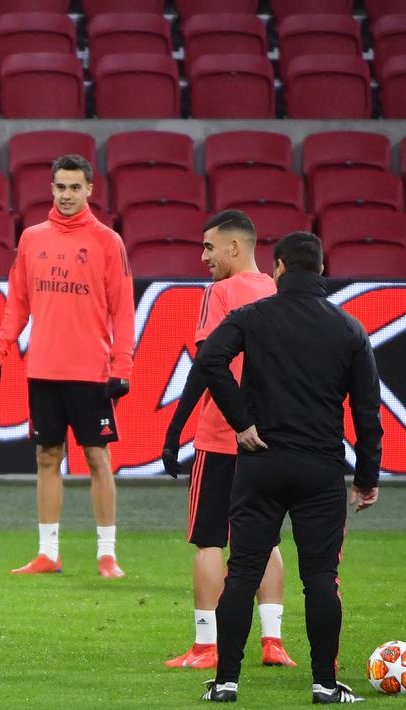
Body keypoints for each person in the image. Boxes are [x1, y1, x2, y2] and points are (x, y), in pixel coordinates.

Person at [195, 231, 382, 704]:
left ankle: (225, 683)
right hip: (320, 470)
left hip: (262, 462)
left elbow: (211, 359)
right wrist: (367, 478)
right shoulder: (349, 329)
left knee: (242, 573)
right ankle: (324, 684)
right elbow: (367, 414)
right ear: (320, 270)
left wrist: (241, 420)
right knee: (321, 579)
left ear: (278, 267)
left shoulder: (253, 317)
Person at [0, 154, 135, 578]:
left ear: (90, 190)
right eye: (60, 187)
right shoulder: (31, 238)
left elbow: (123, 311)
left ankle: (107, 554)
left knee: (97, 458)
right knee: (47, 457)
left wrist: (123, 366)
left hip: (91, 372)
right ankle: (48, 553)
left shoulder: (108, 241)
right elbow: (17, 306)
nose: (66, 195)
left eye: (74, 187)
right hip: (43, 370)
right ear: (51, 189)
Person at [160, 211, 295, 669]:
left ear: (234, 248)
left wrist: (176, 427)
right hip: (270, 442)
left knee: (210, 541)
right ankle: (273, 641)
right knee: (268, 541)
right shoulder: (279, 291)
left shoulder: (220, 292)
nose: (204, 257)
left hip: (221, 437)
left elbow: (208, 364)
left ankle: (205, 646)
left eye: (209, 248)